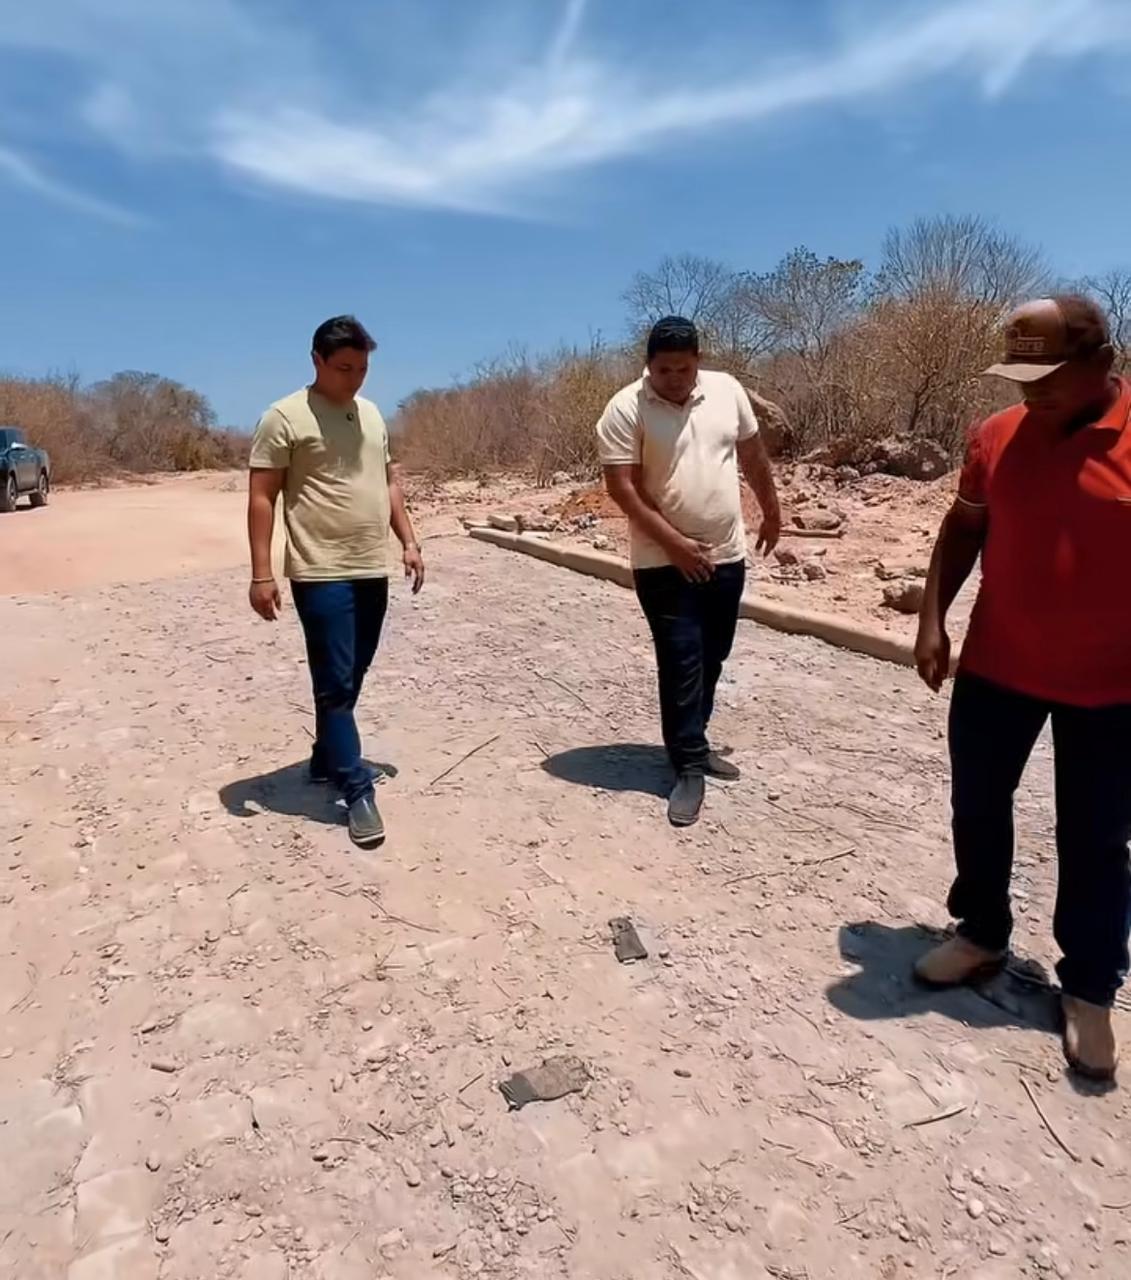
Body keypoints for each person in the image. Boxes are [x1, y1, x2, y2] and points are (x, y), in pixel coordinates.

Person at [914, 295, 1131, 1082]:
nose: (1027, 392)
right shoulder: (995, 437)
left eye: (1046, 376)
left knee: (1096, 836)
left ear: (1101, 364)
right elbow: (964, 527)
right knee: (975, 805)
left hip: (1111, 690)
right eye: (1018, 376)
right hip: (998, 668)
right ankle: (979, 932)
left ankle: (1088, 988)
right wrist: (931, 617)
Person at [246, 315, 424, 850]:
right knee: (335, 681)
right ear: (317, 361)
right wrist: (261, 573)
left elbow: (388, 483)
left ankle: (327, 758)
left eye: (363, 368)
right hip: (319, 569)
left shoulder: (370, 414)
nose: (355, 378)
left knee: (353, 672)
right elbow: (262, 497)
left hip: (372, 565)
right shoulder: (284, 417)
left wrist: (409, 541)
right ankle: (356, 788)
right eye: (345, 368)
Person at [597, 316, 782, 828]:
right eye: (664, 370)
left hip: (725, 554)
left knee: (714, 655)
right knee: (681, 660)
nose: (675, 379)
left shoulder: (726, 391)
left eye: (684, 368)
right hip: (662, 562)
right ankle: (688, 766)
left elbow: (751, 453)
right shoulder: (624, 408)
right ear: (648, 365)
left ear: (698, 361)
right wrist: (676, 545)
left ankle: (692, 740)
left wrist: (772, 509)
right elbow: (622, 488)